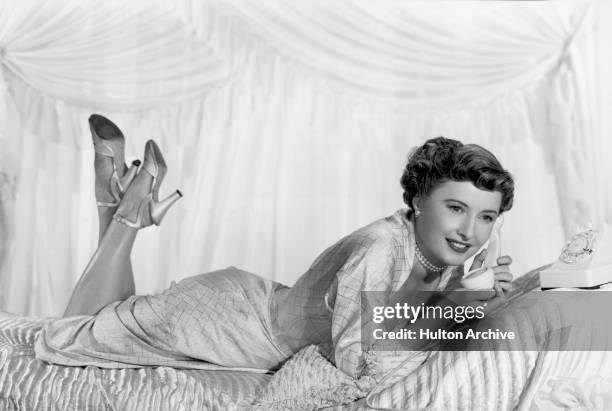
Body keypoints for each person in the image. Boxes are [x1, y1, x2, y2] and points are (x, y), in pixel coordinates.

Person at [34, 116, 514, 378]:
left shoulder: (439, 252)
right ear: (418, 201)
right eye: (456, 208)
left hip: (247, 301)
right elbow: (358, 362)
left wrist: (476, 297)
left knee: (111, 314)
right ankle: (124, 215)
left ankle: (122, 203)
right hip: (228, 325)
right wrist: (459, 308)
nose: (469, 230)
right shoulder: (381, 248)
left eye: (486, 216)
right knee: (67, 337)